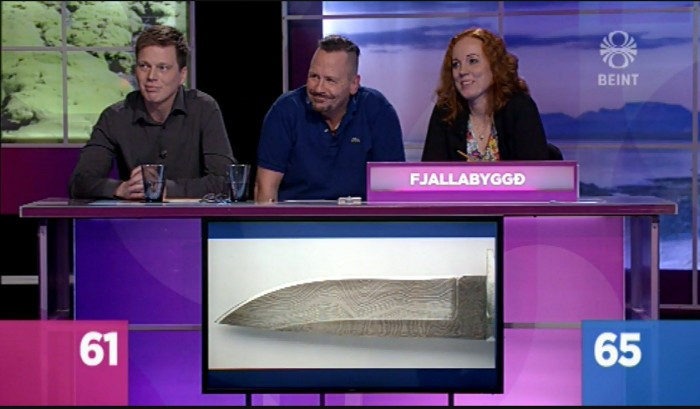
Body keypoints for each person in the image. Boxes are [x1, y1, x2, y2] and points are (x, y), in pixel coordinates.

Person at [69, 25, 235, 200]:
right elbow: (79, 182)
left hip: (192, 216)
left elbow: (225, 181)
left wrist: (166, 189)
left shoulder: (203, 109)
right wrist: (121, 188)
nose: (151, 77)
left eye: (163, 67)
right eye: (144, 66)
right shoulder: (115, 117)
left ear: (182, 75)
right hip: (137, 216)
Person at [255, 35, 405, 202]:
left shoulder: (377, 110)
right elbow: (265, 189)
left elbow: (392, 192)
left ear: (354, 84)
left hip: (358, 217)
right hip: (297, 216)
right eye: (314, 76)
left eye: (330, 80)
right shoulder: (286, 110)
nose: (319, 88)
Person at [421, 27, 550, 162]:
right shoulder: (445, 112)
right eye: (456, 64)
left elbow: (533, 171)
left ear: (494, 66)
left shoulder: (520, 108)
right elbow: (431, 171)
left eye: (472, 61)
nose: (462, 71)